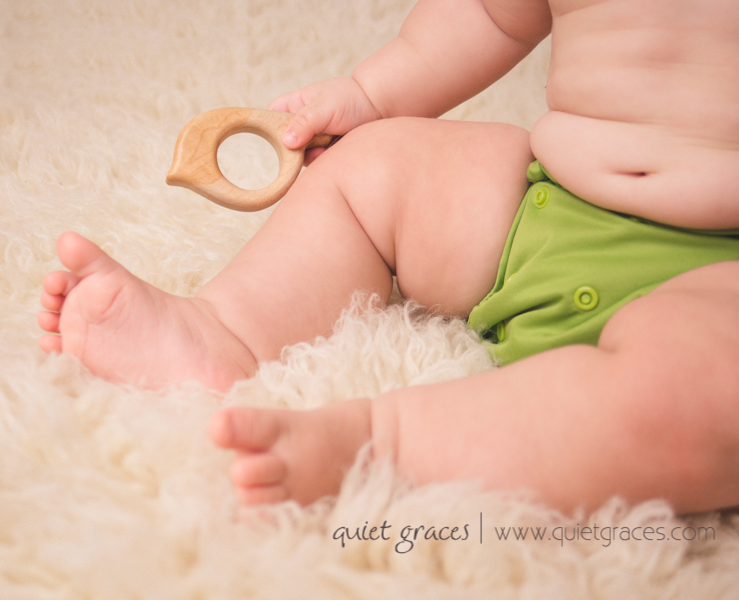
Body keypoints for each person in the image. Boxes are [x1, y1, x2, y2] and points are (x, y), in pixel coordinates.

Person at [38, 0, 739, 513]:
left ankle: (384, 446)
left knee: (700, 393)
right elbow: (490, 14)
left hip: (716, 279)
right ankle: (224, 332)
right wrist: (372, 96)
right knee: (380, 164)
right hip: (550, 206)